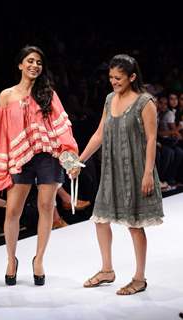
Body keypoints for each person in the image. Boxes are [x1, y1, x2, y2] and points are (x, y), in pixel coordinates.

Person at [0, 45, 78, 286]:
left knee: (47, 206)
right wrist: (1, 165)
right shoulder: (6, 96)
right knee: (13, 210)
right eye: (30, 61)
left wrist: (70, 159)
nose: (35, 65)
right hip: (19, 158)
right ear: (20, 65)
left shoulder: (48, 94)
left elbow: (62, 130)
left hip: (47, 156)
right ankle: (11, 260)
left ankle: (39, 260)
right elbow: (0, 135)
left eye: (38, 62)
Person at [78, 54, 164, 295]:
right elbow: (99, 134)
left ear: (132, 77)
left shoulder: (145, 102)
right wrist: (79, 160)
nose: (113, 81)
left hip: (136, 170)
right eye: (111, 77)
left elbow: (151, 140)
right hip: (111, 168)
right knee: (101, 219)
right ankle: (107, 270)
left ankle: (139, 278)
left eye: (118, 78)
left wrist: (148, 173)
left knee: (134, 224)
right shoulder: (109, 100)